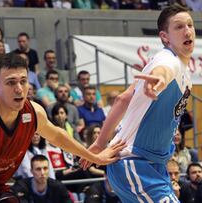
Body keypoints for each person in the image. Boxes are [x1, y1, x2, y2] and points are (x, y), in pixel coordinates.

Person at [0, 53, 125, 202]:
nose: (19, 89)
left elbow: (57, 136)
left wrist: (95, 157)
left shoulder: (33, 113)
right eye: (11, 83)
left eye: (23, 81)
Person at [81, 4, 195, 202]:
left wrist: (100, 143)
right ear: (165, 37)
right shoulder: (168, 60)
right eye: (178, 27)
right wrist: (158, 82)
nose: (187, 31)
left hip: (153, 165)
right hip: (134, 161)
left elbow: (123, 98)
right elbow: (162, 71)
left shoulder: (184, 71)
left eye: (190, 25)